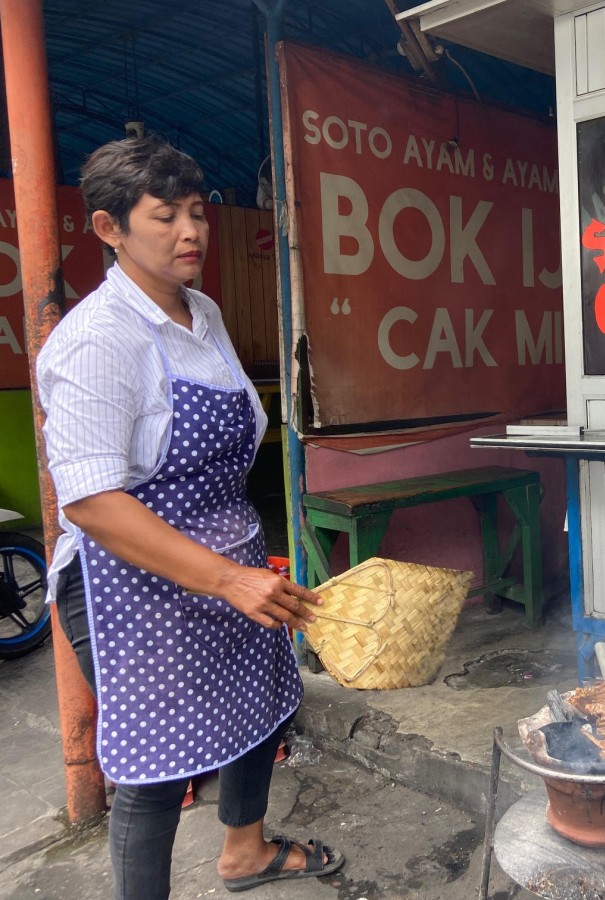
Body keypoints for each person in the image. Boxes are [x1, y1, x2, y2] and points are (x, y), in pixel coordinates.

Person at [37, 137, 344, 897]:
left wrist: (241, 572)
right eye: (165, 216)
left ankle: (244, 852)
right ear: (110, 229)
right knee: (154, 765)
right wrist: (225, 579)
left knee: (257, 707)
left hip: (231, 561)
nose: (191, 233)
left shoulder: (202, 310)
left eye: (198, 213)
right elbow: (91, 501)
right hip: (130, 578)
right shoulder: (97, 341)